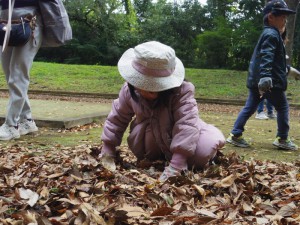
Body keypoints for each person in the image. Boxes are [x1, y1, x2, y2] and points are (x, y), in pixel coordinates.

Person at [99, 41, 225, 181]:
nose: (146, 91)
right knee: (150, 152)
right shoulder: (128, 91)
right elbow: (117, 119)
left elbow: (186, 125)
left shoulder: (182, 92)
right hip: (149, 137)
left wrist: (177, 164)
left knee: (202, 154)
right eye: (143, 85)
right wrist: (108, 149)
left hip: (180, 134)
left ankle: (180, 157)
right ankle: (163, 157)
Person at [226, 0, 298, 151]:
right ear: (271, 17)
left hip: (258, 81)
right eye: (282, 16)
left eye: (286, 17)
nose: (285, 20)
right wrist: (266, 77)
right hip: (271, 83)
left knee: (250, 107)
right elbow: (267, 56)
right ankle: (283, 138)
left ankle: (235, 134)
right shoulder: (272, 34)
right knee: (283, 107)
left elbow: (275, 62)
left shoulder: (270, 34)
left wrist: (289, 70)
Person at [0, 0, 42, 140]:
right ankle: (27, 120)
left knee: (17, 76)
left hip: (29, 22)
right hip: (6, 23)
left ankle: (11, 125)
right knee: (10, 74)